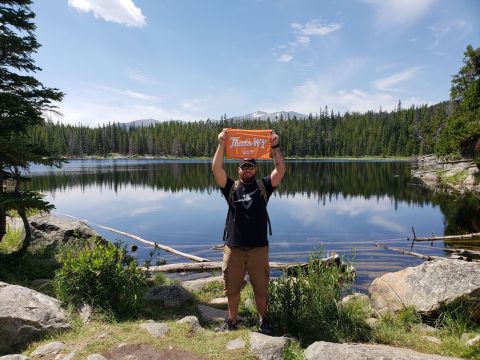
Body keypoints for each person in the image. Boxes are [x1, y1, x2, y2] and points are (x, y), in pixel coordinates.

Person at [212, 128, 286, 334]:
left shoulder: (263, 186)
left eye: (251, 166)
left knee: (261, 290)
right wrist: (221, 144)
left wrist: (275, 147)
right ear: (238, 169)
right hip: (234, 248)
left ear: (255, 168)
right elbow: (216, 170)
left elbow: (280, 171)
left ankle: (263, 322)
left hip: (258, 249)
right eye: (244, 166)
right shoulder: (231, 188)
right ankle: (232, 322)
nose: (247, 170)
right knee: (232, 290)